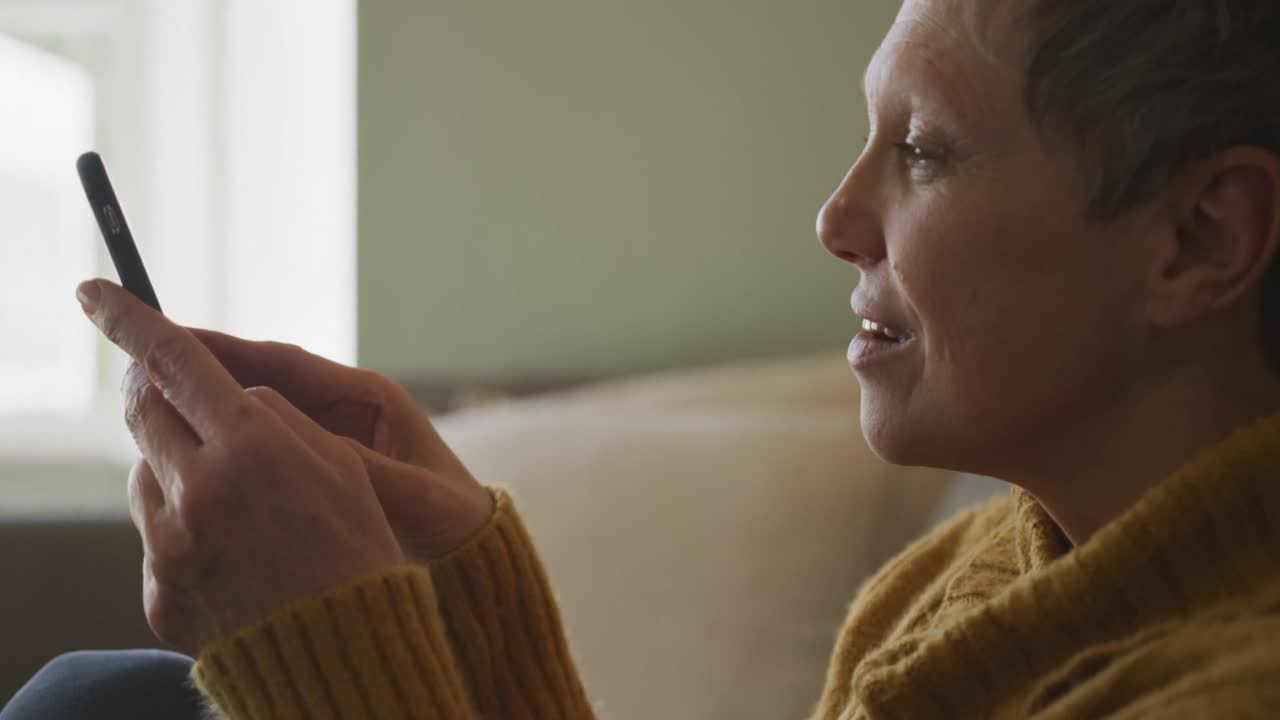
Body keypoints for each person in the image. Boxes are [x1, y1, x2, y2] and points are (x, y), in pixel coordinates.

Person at [6, 0, 1280, 717]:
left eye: (925, 152)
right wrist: (463, 579)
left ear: (1196, 237)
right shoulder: (965, 576)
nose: (836, 222)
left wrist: (331, 650)